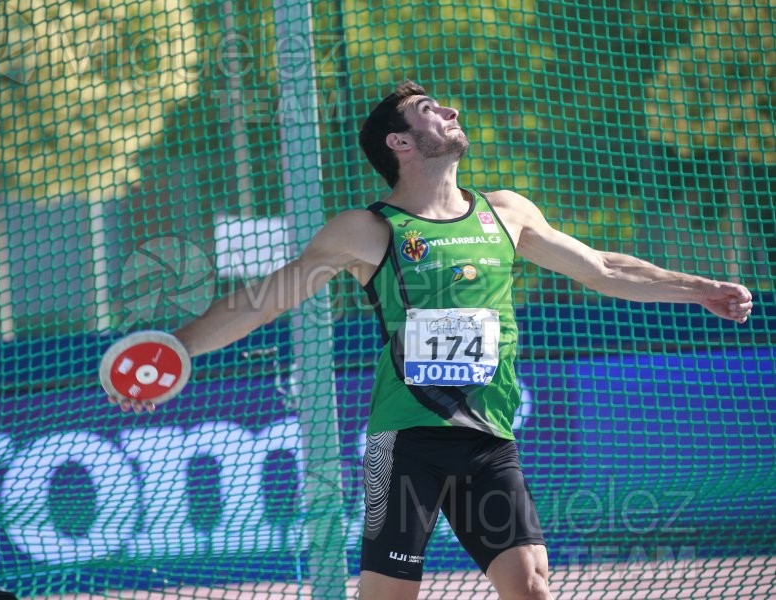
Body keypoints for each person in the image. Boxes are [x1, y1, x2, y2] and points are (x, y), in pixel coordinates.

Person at [108, 80, 753, 600]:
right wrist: (176, 351)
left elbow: (606, 269)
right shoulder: (366, 229)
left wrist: (699, 287)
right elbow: (262, 300)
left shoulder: (506, 211)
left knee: (530, 585)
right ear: (401, 142)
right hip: (406, 443)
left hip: (488, 439)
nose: (449, 111)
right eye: (429, 110)